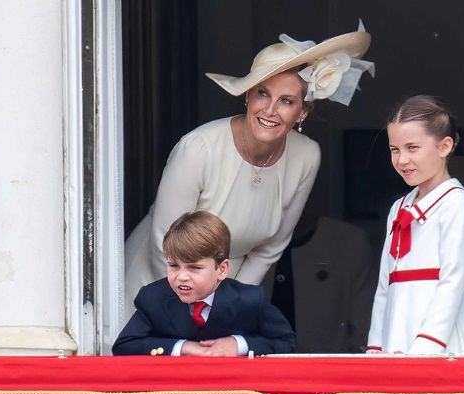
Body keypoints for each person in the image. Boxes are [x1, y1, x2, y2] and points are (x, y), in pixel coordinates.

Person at [123, 22, 375, 318]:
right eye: (262, 94)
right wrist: (194, 312)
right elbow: (163, 243)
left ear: (302, 112)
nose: (270, 110)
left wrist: (224, 309)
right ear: (247, 96)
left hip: (225, 291)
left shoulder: (307, 155)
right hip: (158, 284)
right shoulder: (198, 148)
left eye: (286, 101)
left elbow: (272, 247)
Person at [367, 95, 464, 354]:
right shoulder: (398, 208)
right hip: (395, 338)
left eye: (412, 148)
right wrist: (375, 348)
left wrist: (425, 349)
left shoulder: (457, 204)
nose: (402, 160)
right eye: (395, 149)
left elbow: (452, 282)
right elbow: (384, 286)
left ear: (444, 146)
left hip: (441, 345)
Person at [113, 211, 295, 356]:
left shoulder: (250, 299)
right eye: (174, 266)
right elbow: (124, 345)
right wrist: (182, 347)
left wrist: (239, 345)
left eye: (194, 268)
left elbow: (286, 342)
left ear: (222, 270)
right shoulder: (153, 297)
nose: (181, 277)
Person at [265, 212, 376, 353]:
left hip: (329, 367)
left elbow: (363, 329)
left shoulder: (348, 241)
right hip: (261, 365)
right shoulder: (248, 242)